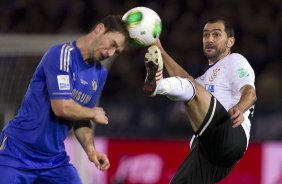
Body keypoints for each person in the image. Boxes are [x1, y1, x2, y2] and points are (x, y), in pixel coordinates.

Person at [0, 15, 129, 183]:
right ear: (99, 29)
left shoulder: (99, 73)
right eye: (112, 44)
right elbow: (61, 107)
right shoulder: (61, 55)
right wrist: (93, 113)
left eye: (117, 51)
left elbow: (82, 119)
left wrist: (91, 151)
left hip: (53, 161)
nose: (110, 53)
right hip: (19, 151)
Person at [143, 16, 257, 183]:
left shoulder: (235, 61)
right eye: (205, 35)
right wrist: (160, 50)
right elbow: (184, 79)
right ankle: (157, 84)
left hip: (230, 131)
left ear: (230, 41)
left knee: (191, 88)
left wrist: (239, 108)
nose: (209, 39)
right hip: (206, 150)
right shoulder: (205, 78)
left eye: (216, 34)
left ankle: (158, 85)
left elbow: (250, 92)